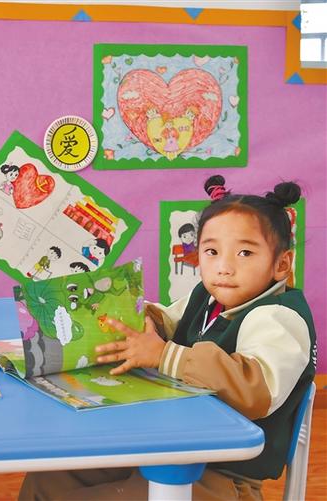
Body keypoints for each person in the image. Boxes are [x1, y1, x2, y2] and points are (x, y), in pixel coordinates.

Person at [19, 175, 316, 501]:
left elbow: (254, 389)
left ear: (281, 264)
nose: (224, 267)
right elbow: (168, 320)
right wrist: (137, 319)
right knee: (49, 480)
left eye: (245, 253)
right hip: (170, 449)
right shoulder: (208, 297)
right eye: (212, 251)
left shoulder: (279, 317)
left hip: (222, 478)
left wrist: (164, 355)